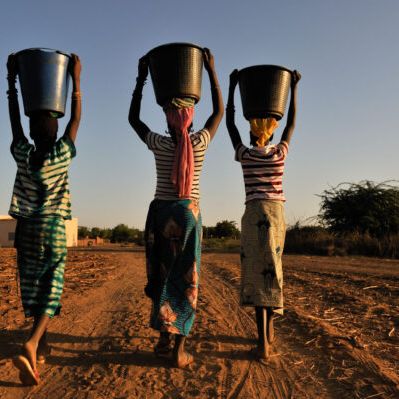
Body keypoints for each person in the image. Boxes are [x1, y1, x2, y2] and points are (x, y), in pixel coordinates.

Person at [129, 48, 223, 368]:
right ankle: (178, 349)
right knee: (187, 278)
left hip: (160, 213)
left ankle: (162, 339)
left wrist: (141, 80)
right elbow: (219, 113)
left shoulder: (159, 143)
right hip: (187, 213)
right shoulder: (198, 143)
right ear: (190, 118)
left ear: (167, 119)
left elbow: (133, 119)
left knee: (161, 274)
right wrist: (210, 70)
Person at [6, 52, 81, 385]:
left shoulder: (22, 152)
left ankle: (43, 343)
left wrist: (12, 82)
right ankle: (33, 342)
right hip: (51, 228)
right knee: (52, 287)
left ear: (34, 130)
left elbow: (15, 122)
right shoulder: (62, 154)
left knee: (34, 285)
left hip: (25, 229)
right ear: (56, 130)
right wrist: (76, 79)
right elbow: (75, 121)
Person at [226, 68, 300, 359]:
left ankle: (263, 344)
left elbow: (230, 123)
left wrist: (232, 88)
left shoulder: (244, 155)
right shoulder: (280, 153)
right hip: (276, 214)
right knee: (273, 272)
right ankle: (269, 333)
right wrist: (294, 88)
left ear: (250, 132)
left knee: (258, 275)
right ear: (271, 130)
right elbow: (291, 123)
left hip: (253, 214)